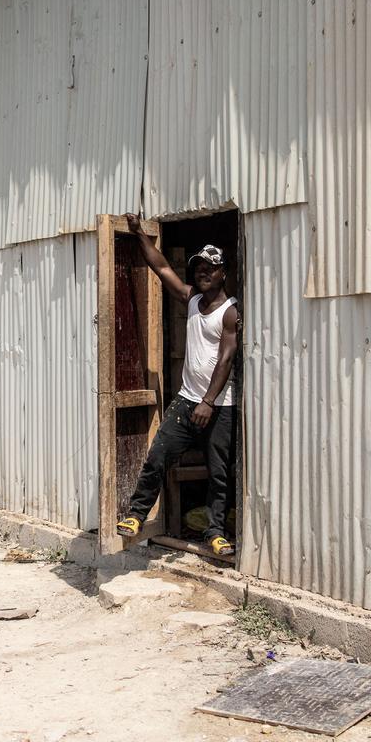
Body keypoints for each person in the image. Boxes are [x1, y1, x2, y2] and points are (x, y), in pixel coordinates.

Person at [116, 214, 239, 557]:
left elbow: (227, 359)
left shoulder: (230, 312)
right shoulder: (192, 300)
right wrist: (140, 235)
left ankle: (215, 532)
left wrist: (209, 402)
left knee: (219, 473)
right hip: (187, 401)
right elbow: (162, 268)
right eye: (199, 267)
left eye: (210, 268)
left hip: (219, 406)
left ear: (223, 273)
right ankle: (137, 515)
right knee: (158, 456)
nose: (203, 272)